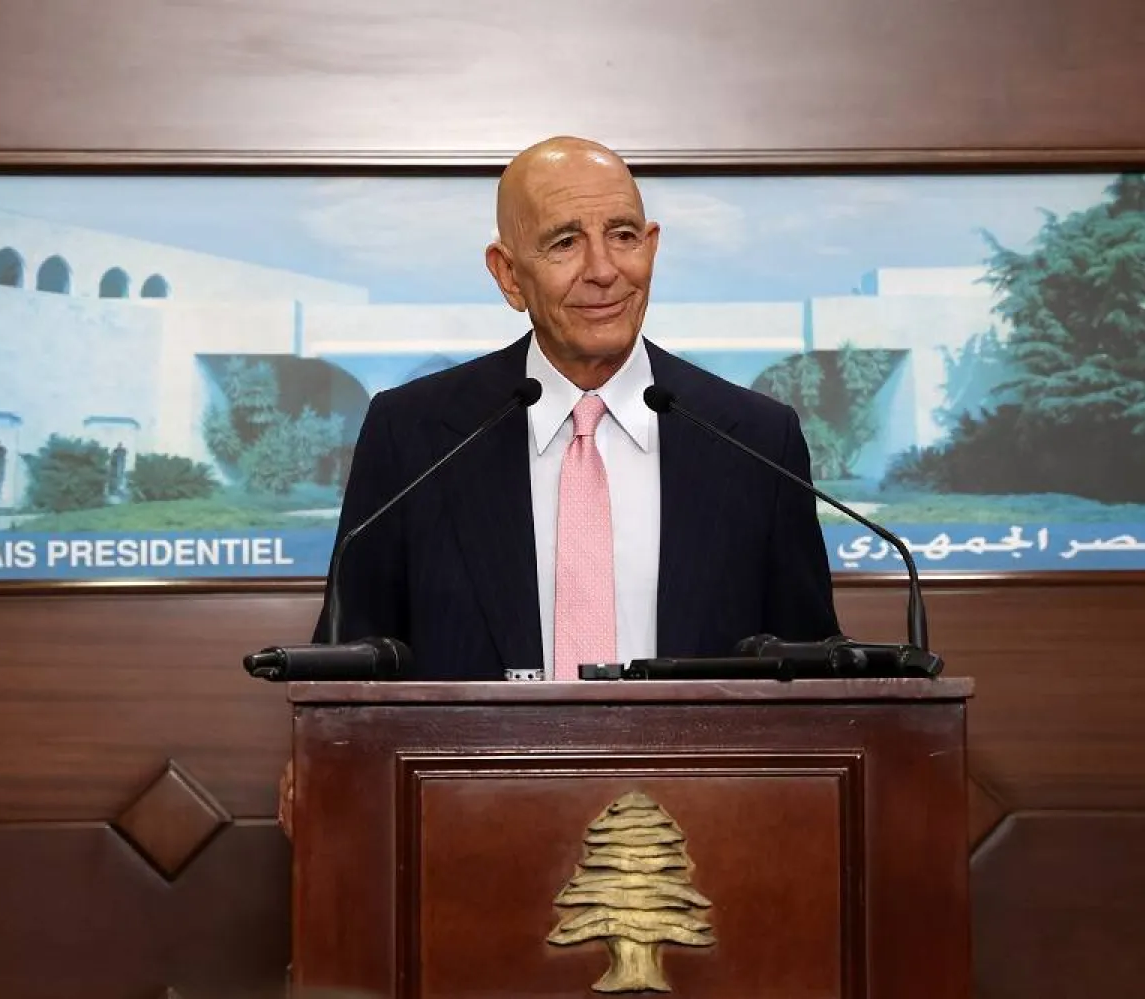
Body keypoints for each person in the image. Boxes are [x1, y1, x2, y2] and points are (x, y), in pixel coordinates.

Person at [279, 136, 842, 837]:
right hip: (465, 834)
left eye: (624, 235)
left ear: (654, 248)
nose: (604, 270)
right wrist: (321, 757)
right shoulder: (415, 432)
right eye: (565, 242)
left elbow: (818, 676)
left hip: (706, 840)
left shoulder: (756, 438)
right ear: (508, 275)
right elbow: (353, 650)